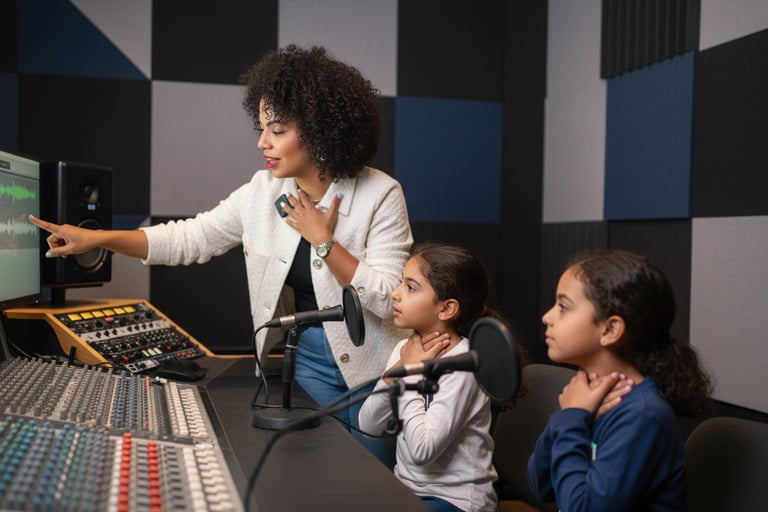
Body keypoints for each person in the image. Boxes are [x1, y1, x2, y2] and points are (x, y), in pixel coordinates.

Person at [29, 44, 412, 468]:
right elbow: (190, 238)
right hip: (303, 368)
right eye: (261, 127)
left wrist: (324, 242)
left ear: (321, 130)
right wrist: (97, 239)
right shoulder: (261, 192)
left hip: (377, 372)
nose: (262, 141)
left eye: (277, 129)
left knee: (371, 486)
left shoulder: (381, 193)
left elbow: (393, 301)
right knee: (317, 477)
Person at [528, 249, 712, 511]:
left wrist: (570, 419)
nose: (547, 317)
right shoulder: (585, 397)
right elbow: (540, 485)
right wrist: (571, 416)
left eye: (563, 307)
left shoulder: (643, 416)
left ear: (610, 329)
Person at [358, 242, 524, 512]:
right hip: (408, 490)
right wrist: (395, 373)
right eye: (401, 283)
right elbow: (368, 425)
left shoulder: (465, 364)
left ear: (446, 309)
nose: (396, 294)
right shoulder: (406, 350)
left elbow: (423, 451)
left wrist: (411, 374)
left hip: (457, 500)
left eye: (411, 287)